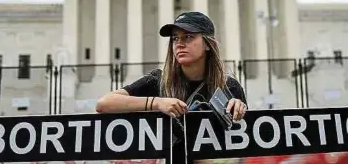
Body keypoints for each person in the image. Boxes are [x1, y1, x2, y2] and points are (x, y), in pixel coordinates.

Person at [96, 11, 248, 163]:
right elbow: (104, 103)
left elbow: (242, 146)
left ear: (209, 44)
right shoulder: (159, 80)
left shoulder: (229, 87)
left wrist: (239, 109)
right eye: (175, 38)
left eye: (188, 37)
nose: (179, 44)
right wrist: (157, 103)